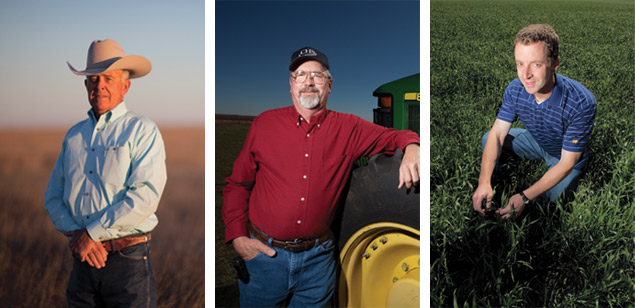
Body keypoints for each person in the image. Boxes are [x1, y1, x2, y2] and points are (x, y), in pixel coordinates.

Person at [222, 46, 420, 307]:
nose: (309, 82)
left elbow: (393, 135)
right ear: (291, 85)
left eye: (317, 75)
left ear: (329, 84)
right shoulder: (264, 124)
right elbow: (238, 184)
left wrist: (412, 147)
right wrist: (238, 238)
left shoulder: (349, 127)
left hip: (318, 262)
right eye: (301, 75)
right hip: (265, 259)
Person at [44, 39, 167, 307]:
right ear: (86, 85)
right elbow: (53, 196)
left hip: (128, 262)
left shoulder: (142, 130)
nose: (99, 85)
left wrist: (91, 234)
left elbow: (145, 196)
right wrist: (79, 236)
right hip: (82, 260)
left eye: (108, 79)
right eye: (94, 78)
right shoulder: (74, 135)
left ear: (125, 86)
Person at [472, 24, 596, 219]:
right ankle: (497, 183)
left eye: (536, 64)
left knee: (550, 209)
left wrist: (524, 196)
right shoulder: (515, 89)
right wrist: (483, 182)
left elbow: (567, 162)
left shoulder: (581, 102)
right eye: (520, 63)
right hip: (535, 140)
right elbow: (497, 135)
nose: (525, 74)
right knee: (488, 138)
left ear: (555, 63)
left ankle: (575, 191)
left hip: (562, 156)